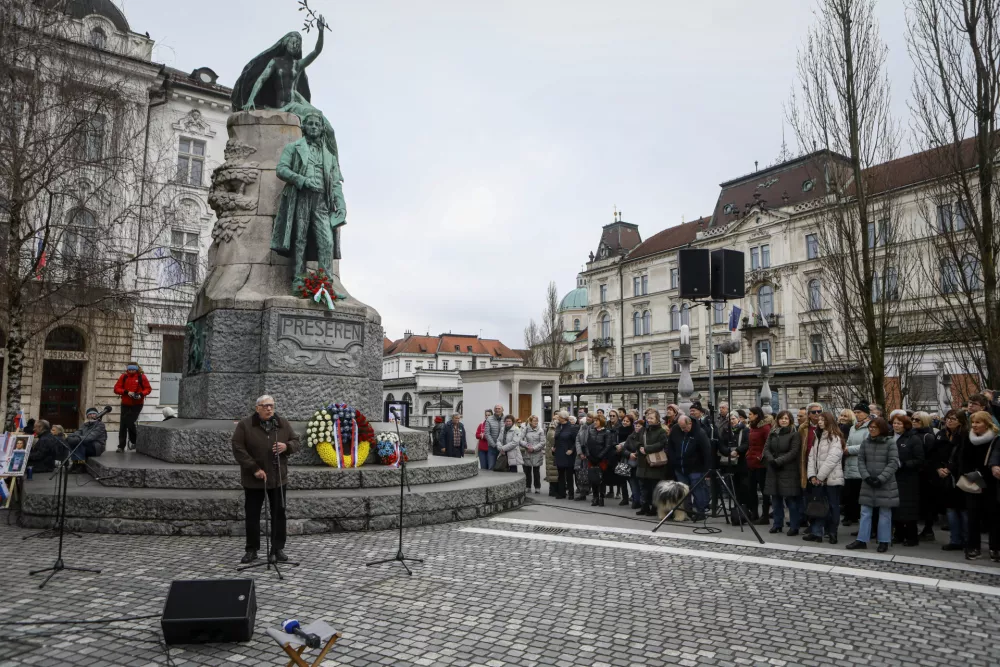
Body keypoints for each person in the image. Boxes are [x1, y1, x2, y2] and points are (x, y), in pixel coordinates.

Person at [232, 395, 299, 564]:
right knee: (252, 514)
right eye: (265, 406)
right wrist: (254, 469)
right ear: (257, 408)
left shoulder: (281, 423)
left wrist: (287, 447)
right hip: (255, 478)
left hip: (278, 478)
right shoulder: (245, 425)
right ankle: (252, 549)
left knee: (279, 514)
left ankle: (277, 549)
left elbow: (296, 441)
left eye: (271, 405)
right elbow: (238, 448)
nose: (269, 409)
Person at [948, 410, 996, 560]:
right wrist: (972, 476)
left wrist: (986, 477)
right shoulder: (968, 438)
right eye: (973, 422)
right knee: (973, 517)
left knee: (994, 517)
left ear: (986, 424)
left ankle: (995, 548)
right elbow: (962, 460)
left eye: (978, 422)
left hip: (993, 483)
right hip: (973, 481)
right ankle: (973, 547)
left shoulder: (995, 439)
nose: (974, 425)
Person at [847, 417, 899, 552]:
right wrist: (866, 477)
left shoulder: (890, 443)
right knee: (865, 512)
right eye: (870, 427)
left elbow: (893, 463)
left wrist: (881, 478)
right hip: (868, 482)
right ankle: (862, 539)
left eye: (874, 427)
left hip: (885, 483)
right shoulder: (866, 443)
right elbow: (861, 461)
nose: (871, 429)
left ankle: (884, 541)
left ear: (881, 429)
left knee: (885, 513)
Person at [805, 412, 844, 544]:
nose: (820, 422)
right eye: (819, 420)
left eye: (823, 420)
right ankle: (816, 532)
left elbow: (832, 459)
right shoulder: (817, 436)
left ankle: (833, 533)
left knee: (833, 506)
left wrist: (820, 476)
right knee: (818, 505)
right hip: (818, 479)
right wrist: (812, 475)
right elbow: (812, 457)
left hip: (831, 479)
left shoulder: (835, 438)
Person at [936, 410, 970, 552]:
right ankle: (955, 539)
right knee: (950, 509)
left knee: (963, 511)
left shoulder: (965, 436)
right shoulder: (941, 435)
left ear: (961, 421)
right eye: (948, 418)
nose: (949, 421)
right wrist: (938, 468)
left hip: (960, 476)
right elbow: (934, 454)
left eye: (953, 419)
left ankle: (967, 540)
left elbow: (964, 457)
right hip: (946, 478)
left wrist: (950, 469)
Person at [764, 410, 802, 535]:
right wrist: (772, 460)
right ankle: (777, 524)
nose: (784, 420)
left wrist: (779, 461)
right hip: (774, 469)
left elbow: (794, 451)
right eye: (781, 418)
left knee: (791, 500)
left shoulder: (794, 434)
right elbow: (766, 448)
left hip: (788, 469)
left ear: (790, 420)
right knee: (775, 499)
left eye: (786, 418)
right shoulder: (773, 432)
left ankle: (794, 526)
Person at [668, 415, 712, 520]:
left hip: (695, 467)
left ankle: (701, 512)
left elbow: (707, 451)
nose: (683, 430)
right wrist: (673, 459)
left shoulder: (700, 433)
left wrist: (707, 469)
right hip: (679, 466)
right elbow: (670, 445)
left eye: (684, 427)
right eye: (681, 427)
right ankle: (688, 511)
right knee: (683, 491)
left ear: (690, 423)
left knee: (698, 490)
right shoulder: (675, 429)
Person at [891, 414, 925, 547]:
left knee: (908, 508)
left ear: (905, 425)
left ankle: (911, 536)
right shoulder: (890, 437)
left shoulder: (913, 439)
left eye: (899, 424)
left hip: (908, 478)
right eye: (894, 423)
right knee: (896, 507)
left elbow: (920, 459)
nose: (896, 426)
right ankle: (898, 534)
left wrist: (903, 464)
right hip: (893, 477)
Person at [635, 409, 669, 516]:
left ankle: (654, 508)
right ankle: (644, 506)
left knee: (654, 488)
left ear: (657, 419)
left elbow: (662, 444)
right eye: (648, 418)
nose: (649, 420)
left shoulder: (661, 431)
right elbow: (636, 441)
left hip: (655, 463)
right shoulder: (643, 430)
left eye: (651, 418)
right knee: (643, 487)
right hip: (642, 462)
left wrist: (647, 448)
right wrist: (640, 447)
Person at [911, 411, 939, 541]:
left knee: (927, 503)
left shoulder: (928, 436)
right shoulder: (912, 434)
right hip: (915, 474)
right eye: (913, 419)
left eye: (918, 420)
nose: (914, 421)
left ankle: (928, 529)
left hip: (926, 475)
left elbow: (931, 457)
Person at [842, 402, 871, 527]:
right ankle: (850, 516)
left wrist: (849, 450)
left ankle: (858, 517)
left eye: (859, 412)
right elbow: (847, 442)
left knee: (859, 493)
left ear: (866, 413)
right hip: (850, 464)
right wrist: (846, 448)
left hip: (861, 464)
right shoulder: (854, 427)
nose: (857, 414)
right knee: (850, 493)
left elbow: (866, 445)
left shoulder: (870, 427)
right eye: (856, 412)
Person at [690, 401, 720, 516]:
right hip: (695, 458)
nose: (692, 413)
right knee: (698, 483)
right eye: (691, 411)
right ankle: (699, 504)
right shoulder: (692, 423)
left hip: (706, 457)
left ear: (700, 412)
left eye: (694, 411)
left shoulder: (707, 423)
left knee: (703, 483)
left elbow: (713, 435)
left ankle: (704, 505)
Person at [113, 362, 151, 452]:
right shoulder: (123, 377)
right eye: (129, 369)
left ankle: (134, 441)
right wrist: (126, 392)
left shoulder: (142, 377)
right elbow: (116, 388)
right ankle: (121, 446)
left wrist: (141, 394)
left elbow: (148, 389)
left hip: (137, 404)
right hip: (125, 403)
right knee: (123, 425)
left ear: (136, 369)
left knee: (129, 421)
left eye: (133, 369)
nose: (131, 371)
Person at [745, 407, 771, 524]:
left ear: (756, 415)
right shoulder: (752, 427)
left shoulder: (765, 428)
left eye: (750, 414)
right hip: (751, 462)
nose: (748, 416)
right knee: (751, 490)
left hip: (761, 464)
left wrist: (760, 457)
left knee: (764, 491)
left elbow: (768, 444)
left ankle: (765, 516)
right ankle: (754, 513)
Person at [585, 415, 614, 506]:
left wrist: (599, 457)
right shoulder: (591, 431)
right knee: (593, 479)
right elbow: (586, 444)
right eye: (594, 421)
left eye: (597, 421)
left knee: (601, 479)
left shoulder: (607, 432)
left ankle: (601, 498)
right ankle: (595, 497)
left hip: (601, 459)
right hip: (591, 458)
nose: (595, 422)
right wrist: (589, 456)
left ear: (601, 422)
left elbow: (608, 446)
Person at [552, 410, 578, 499]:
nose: (558, 418)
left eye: (559, 417)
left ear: (563, 418)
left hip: (568, 453)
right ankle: (561, 493)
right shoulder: (559, 426)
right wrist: (554, 447)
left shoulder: (572, 427)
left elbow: (576, 441)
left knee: (569, 475)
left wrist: (572, 450)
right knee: (560, 474)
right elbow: (557, 438)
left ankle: (571, 493)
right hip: (559, 452)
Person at [519, 415, 545, 493]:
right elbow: (520, 440)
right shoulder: (525, 429)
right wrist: (527, 446)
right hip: (527, 453)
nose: (536, 422)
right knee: (527, 471)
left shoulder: (540, 430)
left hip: (536, 453)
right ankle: (528, 486)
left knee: (536, 471)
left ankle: (537, 487)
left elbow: (543, 442)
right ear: (530, 422)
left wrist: (534, 448)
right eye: (534, 421)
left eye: (537, 421)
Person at [615, 414, 636, 506]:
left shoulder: (633, 431)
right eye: (624, 420)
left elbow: (631, 444)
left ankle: (634, 497)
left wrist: (622, 446)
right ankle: (625, 498)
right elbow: (615, 440)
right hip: (620, 456)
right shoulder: (619, 429)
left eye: (627, 421)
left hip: (629, 456)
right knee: (622, 477)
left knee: (631, 479)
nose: (625, 422)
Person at [574, 411, 593, 500]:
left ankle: (594, 493)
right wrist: (580, 452)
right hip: (581, 454)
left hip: (590, 454)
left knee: (590, 473)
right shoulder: (582, 426)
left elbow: (592, 442)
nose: (588, 418)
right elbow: (577, 439)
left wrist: (586, 453)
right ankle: (582, 492)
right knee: (580, 472)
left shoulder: (594, 427)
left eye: (590, 417)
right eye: (588, 416)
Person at [483, 405, 505, 470]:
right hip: (492, 447)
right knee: (491, 466)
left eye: (499, 408)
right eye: (496, 408)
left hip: (503, 447)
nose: (497, 410)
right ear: (494, 410)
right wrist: (494, 445)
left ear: (502, 410)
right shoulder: (489, 419)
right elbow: (487, 433)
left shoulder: (506, 419)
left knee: (502, 467)